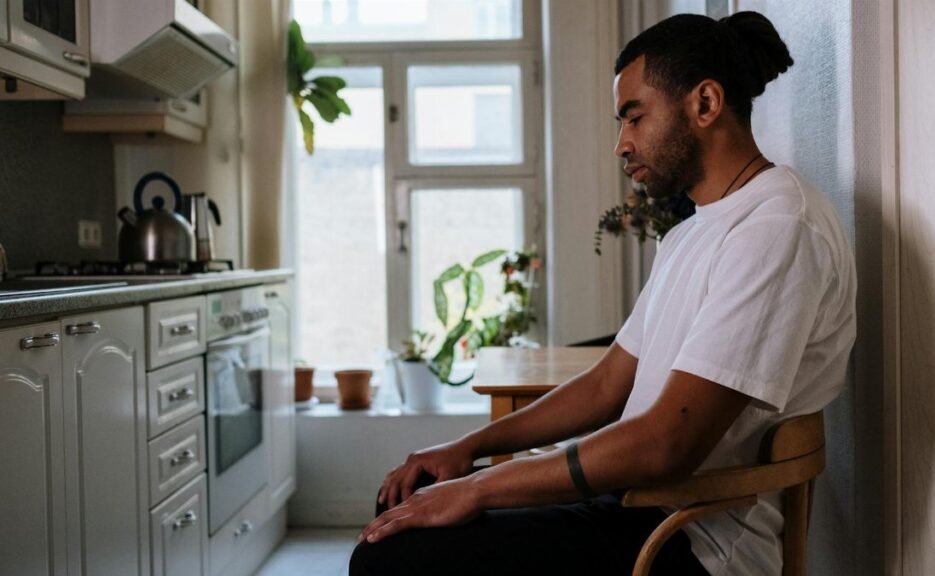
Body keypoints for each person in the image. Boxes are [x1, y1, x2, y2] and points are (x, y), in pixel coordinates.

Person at [350, 11, 856, 576]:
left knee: (389, 558)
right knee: (402, 506)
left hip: (690, 539)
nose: (622, 144)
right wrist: (468, 449)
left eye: (634, 117)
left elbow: (666, 445)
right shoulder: (692, 232)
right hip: (634, 505)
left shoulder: (777, 229)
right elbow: (607, 385)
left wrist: (480, 487)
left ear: (706, 103)